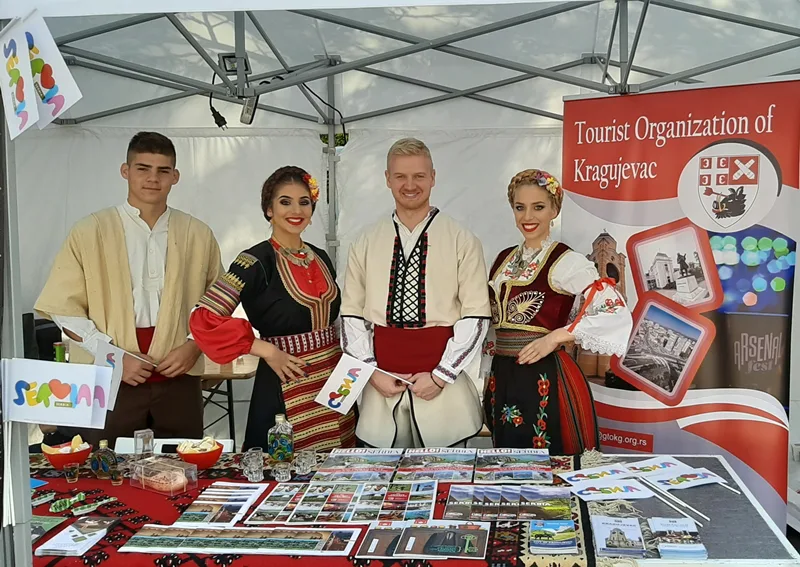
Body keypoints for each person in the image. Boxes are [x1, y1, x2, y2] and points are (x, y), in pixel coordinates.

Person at [34, 132, 223, 447]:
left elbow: (218, 302)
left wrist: (194, 345)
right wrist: (113, 357)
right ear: (125, 171)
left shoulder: (198, 234)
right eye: (143, 168)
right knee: (105, 465)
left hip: (179, 375)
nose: (153, 178)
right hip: (109, 377)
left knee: (183, 464)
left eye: (163, 170)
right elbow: (63, 308)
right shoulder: (90, 231)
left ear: (175, 176)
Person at [189, 166, 356, 452]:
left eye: (304, 202)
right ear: (269, 209)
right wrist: (267, 351)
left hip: (334, 380)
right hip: (285, 380)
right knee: (284, 463)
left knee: (339, 460)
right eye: (285, 202)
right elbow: (205, 318)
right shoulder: (253, 262)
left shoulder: (321, 257)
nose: (296, 210)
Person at [341, 138, 491, 448]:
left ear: (433, 177)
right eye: (401, 176)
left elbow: (476, 315)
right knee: (382, 476)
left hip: (444, 389)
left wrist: (441, 376)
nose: (410, 185)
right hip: (381, 386)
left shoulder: (461, 239)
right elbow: (351, 314)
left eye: (419, 176)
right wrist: (372, 373)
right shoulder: (365, 241)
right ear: (387, 179)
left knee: (445, 472)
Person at [484, 169, 632, 454]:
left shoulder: (566, 261)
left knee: (549, 454)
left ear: (554, 210)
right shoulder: (503, 259)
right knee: (508, 459)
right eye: (520, 207)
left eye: (538, 207)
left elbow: (613, 309)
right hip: (503, 375)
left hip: (545, 376)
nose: (528, 216)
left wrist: (555, 337)